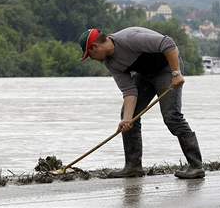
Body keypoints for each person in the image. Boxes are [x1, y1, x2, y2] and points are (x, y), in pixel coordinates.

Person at [78, 27, 205, 179]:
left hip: (167, 69)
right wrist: (127, 120)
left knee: (172, 116)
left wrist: (176, 73)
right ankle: (133, 167)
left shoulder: (129, 39)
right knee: (128, 116)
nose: (92, 59)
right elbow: (129, 91)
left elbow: (168, 43)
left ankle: (196, 166)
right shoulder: (111, 63)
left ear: (95, 47)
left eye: (90, 55)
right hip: (145, 75)